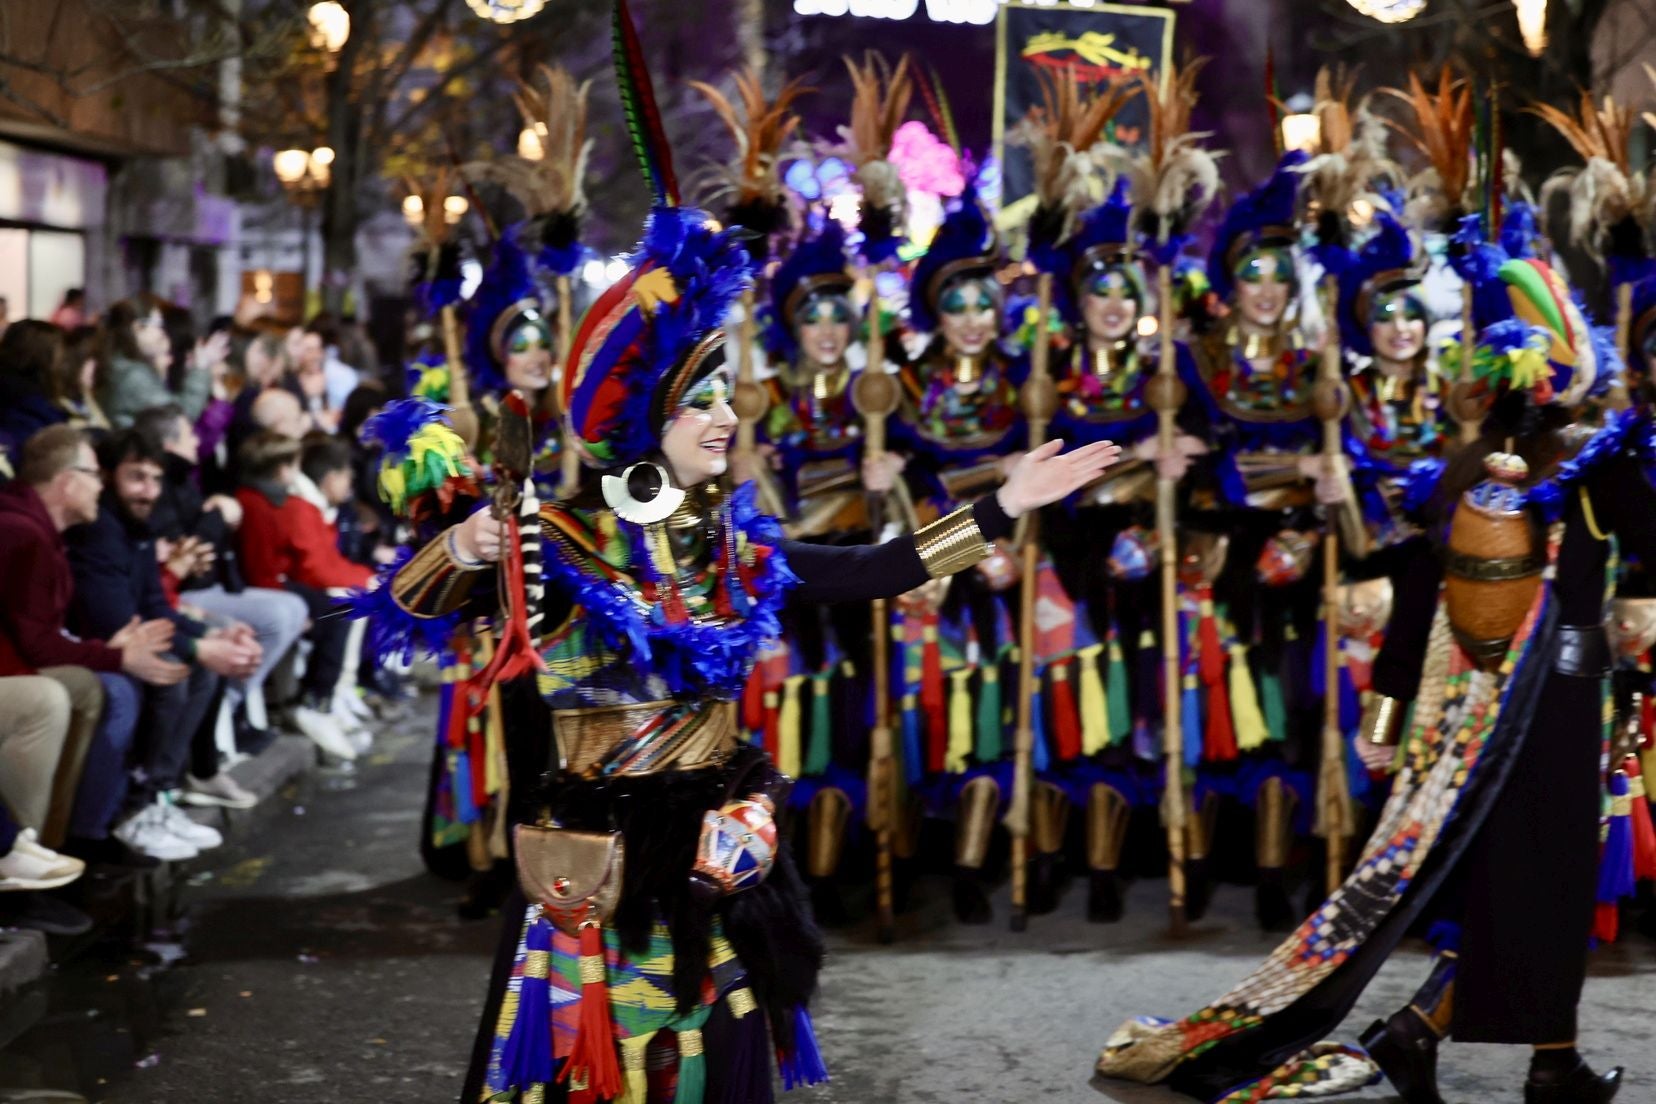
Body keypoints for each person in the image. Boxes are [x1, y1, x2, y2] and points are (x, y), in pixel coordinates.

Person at [375, 16, 1120, 1098]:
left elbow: (871, 572)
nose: (727, 418)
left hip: (722, 844)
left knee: (726, 1050)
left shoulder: (731, 547)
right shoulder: (564, 533)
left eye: (727, 398)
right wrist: (466, 541)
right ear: (643, 421)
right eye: (706, 402)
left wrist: (1001, 504)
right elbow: (414, 605)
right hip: (599, 859)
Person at [1095, 225, 1636, 1104]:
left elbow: (1414, 618)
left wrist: (1383, 731)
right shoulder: (1595, 467)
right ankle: (1505, 1056)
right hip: (1558, 709)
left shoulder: (1463, 471)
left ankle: (1498, 1051)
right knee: (1549, 888)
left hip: (1463, 729)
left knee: (1521, 890)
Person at [67, 429, 261, 859]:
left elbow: (158, 605)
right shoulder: (101, 530)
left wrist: (211, 637)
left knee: (199, 668)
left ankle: (157, 796)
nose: (148, 490)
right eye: (136, 477)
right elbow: (115, 620)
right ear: (107, 475)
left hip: (121, 637)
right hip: (91, 644)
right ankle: (132, 809)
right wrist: (195, 648)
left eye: (155, 480)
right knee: (171, 672)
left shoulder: (138, 525)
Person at [0, 425, 164, 864]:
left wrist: (111, 651)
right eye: (93, 474)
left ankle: (61, 840)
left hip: (16, 666)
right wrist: (114, 654)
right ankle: (25, 852)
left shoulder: (38, 530)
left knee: (97, 687)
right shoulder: (21, 532)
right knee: (62, 694)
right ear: (67, 481)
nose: (102, 484)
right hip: (13, 673)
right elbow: (35, 646)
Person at [135, 402, 307, 775]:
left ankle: (232, 711)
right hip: (181, 595)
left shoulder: (182, 481)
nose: (197, 439)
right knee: (229, 635)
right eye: (188, 433)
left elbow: (188, 551)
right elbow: (182, 560)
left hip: (189, 592)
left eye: (151, 480)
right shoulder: (161, 491)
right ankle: (174, 777)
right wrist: (215, 518)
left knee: (288, 610)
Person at [235, 431, 371, 760]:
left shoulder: (272, 501)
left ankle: (325, 697)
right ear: (282, 470)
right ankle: (316, 700)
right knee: (340, 610)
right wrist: (298, 609)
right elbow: (263, 570)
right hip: (271, 590)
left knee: (340, 607)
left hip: (279, 587)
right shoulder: (258, 504)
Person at [97, 298, 211, 428]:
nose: (162, 332)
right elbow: (179, 417)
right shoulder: (132, 375)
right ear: (137, 328)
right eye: (157, 324)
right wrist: (201, 368)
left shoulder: (119, 365)